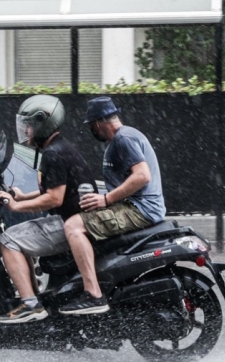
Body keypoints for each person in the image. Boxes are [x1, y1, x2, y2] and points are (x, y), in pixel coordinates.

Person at [58, 96, 166, 315]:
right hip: (136, 205)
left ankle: (93, 294)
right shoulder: (125, 137)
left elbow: (142, 176)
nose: (91, 130)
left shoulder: (123, 139)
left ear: (97, 123)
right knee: (83, 218)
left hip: (140, 209)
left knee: (73, 226)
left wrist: (106, 200)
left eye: (90, 126)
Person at [0, 95, 97, 324]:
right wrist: (23, 195)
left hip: (71, 223)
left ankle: (30, 304)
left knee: (7, 240)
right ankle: (33, 298)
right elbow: (56, 189)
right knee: (17, 238)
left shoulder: (54, 153)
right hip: (73, 219)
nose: (26, 130)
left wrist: (17, 205)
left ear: (42, 124)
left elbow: (54, 199)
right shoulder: (56, 147)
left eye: (29, 125)